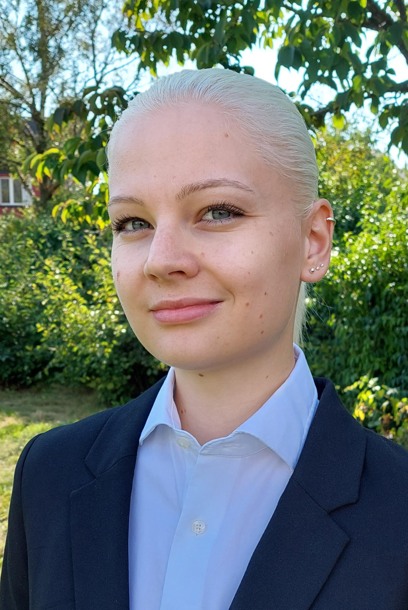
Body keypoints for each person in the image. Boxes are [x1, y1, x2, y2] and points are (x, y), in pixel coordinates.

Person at [1, 68, 408, 610]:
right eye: (132, 222)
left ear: (313, 242)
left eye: (218, 212)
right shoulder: (48, 475)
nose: (161, 259)